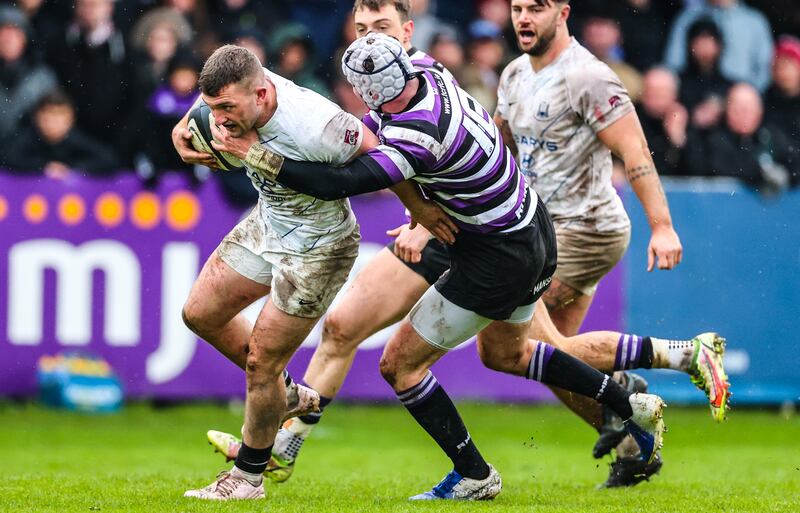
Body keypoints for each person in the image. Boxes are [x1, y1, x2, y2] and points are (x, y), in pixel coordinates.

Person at [205, 0, 729, 490]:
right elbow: (462, 140)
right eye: (360, 31)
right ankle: (286, 445)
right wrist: (421, 211)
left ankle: (495, 466)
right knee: (484, 349)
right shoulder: (433, 69)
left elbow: (339, 180)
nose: (367, 40)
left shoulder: (418, 134)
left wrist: (257, 152)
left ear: (404, 36)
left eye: (379, 30)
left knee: (411, 363)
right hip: (505, 222)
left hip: (515, 241)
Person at [173, 44, 456, 500]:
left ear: (262, 94)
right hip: (268, 223)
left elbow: (381, 154)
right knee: (199, 314)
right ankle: (286, 394)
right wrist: (183, 130)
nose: (219, 120)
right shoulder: (236, 92)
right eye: (214, 108)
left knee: (261, 362)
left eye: (226, 109)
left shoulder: (319, 125)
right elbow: (205, 108)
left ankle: (247, 479)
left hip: (320, 249)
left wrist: (419, 211)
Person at [1, 89, 118, 177]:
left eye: (59, 119)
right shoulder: (27, 137)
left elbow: (109, 159)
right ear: (37, 117)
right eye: (49, 118)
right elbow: (7, 157)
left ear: (71, 120)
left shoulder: (75, 139)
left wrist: (72, 168)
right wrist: (43, 167)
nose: (53, 125)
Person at [663, 0, 774, 92]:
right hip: (694, 100)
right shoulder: (688, 18)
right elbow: (673, 66)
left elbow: (765, 71)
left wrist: (744, 96)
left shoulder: (755, 22)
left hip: (741, 102)